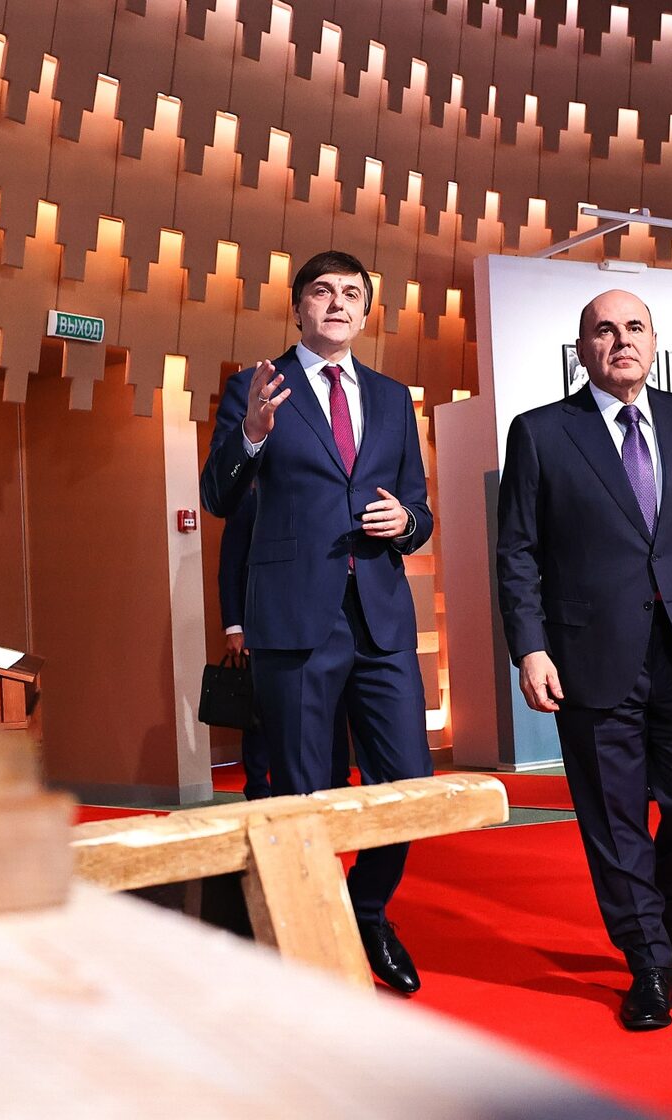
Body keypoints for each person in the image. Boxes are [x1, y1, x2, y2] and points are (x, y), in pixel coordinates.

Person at [496, 289, 672, 1032]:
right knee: (613, 819)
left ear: (653, 340)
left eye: (633, 327)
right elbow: (517, 553)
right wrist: (530, 646)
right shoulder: (541, 432)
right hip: (588, 656)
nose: (620, 341)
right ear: (583, 349)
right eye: (603, 331)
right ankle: (648, 962)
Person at [200, 250, 434, 994]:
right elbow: (218, 496)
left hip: (381, 620)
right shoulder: (257, 386)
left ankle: (365, 911)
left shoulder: (393, 398)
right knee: (304, 793)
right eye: (323, 292)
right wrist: (252, 435)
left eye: (352, 294)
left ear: (366, 311)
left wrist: (407, 523)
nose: (338, 303)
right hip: (295, 620)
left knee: (410, 787)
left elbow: (419, 508)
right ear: (297, 306)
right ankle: (308, 934)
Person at [217, 483, 354, 799]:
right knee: (261, 713)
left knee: (330, 709)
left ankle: (337, 780)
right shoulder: (249, 501)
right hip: (265, 625)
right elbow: (230, 567)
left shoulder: (321, 501)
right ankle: (257, 786)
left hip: (318, 625)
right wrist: (235, 627)